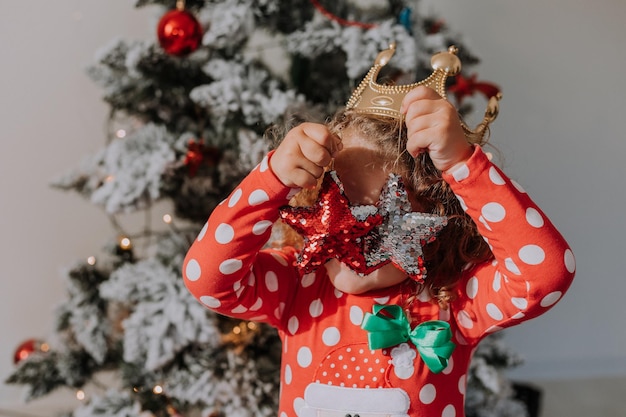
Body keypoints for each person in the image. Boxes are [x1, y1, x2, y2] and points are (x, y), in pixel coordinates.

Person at [182, 45, 575, 417]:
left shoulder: (453, 301)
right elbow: (207, 280)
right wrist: (270, 181)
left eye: (385, 218)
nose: (355, 237)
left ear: (433, 221)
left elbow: (545, 274)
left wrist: (463, 166)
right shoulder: (297, 286)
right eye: (340, 208)